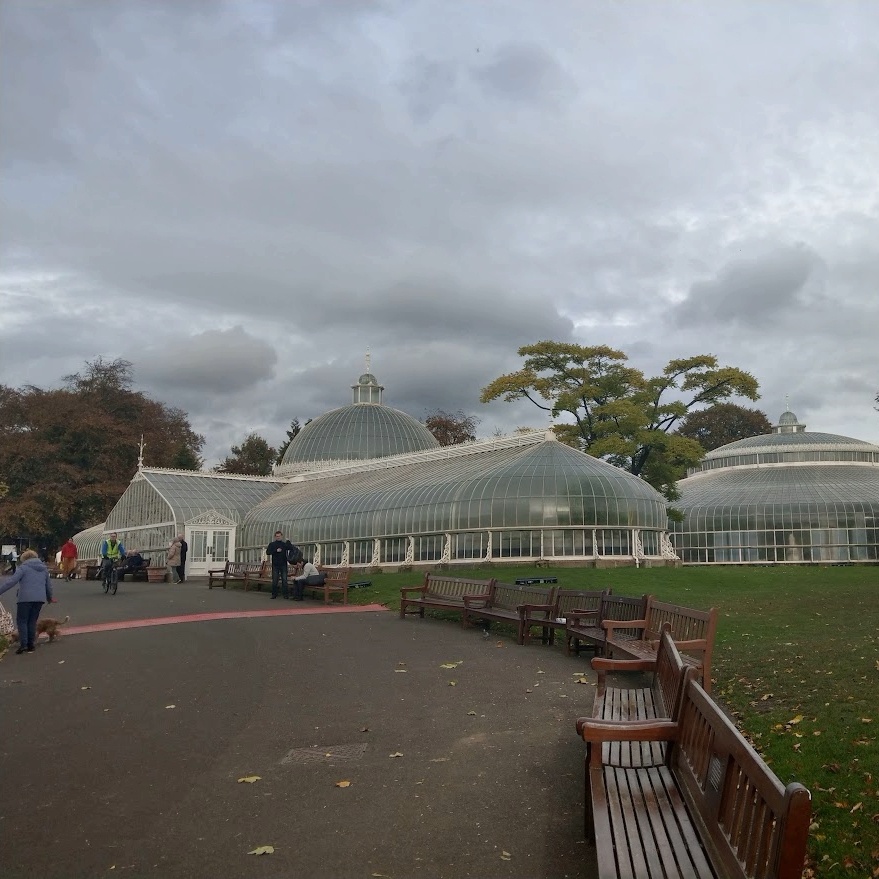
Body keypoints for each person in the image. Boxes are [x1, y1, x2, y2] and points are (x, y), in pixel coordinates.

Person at [0, 549, 53, 654]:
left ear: (25, 558)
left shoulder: (23, 568)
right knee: (32, 622)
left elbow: (11, 582)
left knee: (22, 621)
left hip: (25, 599)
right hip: (39, 599)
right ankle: (31, 645)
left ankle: (23, 645)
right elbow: (48, 586)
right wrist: (49, 598)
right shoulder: (44, 569)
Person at [266, 530, 293, 599]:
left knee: (284, 579)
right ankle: (274, 594)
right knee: (275, 580)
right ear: (275, 537)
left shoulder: (284, 544)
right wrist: (275, 551)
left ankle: (285, 595)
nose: (278, 537)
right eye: (277, 536)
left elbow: (290, 548)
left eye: (279, 536)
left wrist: (288, 541)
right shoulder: (272, 544)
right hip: (275, 564)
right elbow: (268, 552)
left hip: (283, 564)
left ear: (281, 536)